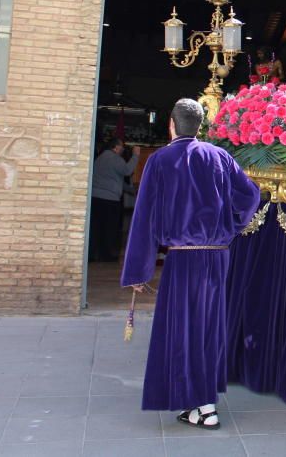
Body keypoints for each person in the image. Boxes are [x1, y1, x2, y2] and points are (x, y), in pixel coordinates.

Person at [121, 98, 262, 429]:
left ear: (171, 124)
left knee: (184, 330)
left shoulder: (159, 161)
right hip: (218, 256)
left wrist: (138, 272)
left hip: (184, 259)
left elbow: (145, 219)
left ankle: (204, 406)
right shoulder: (220, 157)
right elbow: (251, 195)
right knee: (209, 329)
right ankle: (200, 403)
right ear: (200, 126)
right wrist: (230, 226)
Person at [90, 138, 139, 262]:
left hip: (95, 198)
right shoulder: (115, 159)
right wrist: (136, 156)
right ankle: (106, 255)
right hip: (110, 200)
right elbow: (127, 171)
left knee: (96, 228)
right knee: (109, 229)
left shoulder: (100, 158)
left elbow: (116, 181)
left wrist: (132, 191)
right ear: (116, 147)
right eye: (121, 146)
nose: (123, 149)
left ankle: (91, 254)